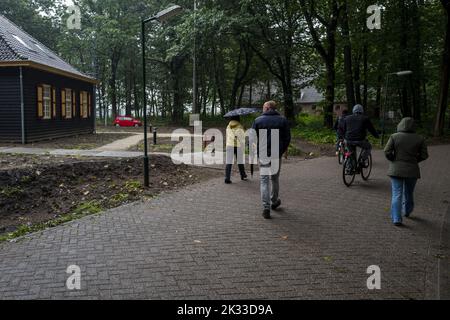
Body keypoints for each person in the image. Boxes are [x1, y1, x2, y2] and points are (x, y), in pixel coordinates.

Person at [384, 117, 429, 227]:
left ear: (400, 124)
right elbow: (424, 155)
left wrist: (393, 159)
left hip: (396, 169)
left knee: (396, 194)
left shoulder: (394, 136)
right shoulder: (420, 138)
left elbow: (387, 151)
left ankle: (396, 218)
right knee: (409, 193)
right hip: (412, 170)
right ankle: (407, 211)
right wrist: (415, 160)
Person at [252, 101, 291, 219]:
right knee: (274, 179)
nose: (262, 109)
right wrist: (281, 150)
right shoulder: (282, 120)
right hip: (275, 154)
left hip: (263, 154)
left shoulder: (258, 120)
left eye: (263, 107)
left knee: (264, 180)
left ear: (268, 108)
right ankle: (274, 201)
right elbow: (287, 138)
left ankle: (266, 207)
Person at [225, 116, 247, 184]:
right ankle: (243, 175)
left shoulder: (228, 126)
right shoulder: (239, 126)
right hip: (238, 146)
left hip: (229, 145)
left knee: (229, 162)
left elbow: (228, 136)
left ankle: (227, 178)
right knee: (240, 161)